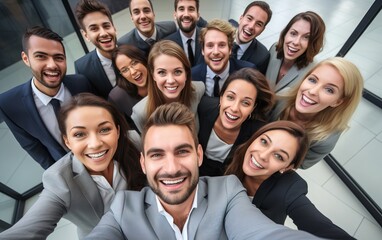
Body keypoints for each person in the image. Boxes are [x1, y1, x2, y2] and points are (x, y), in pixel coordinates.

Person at [83, 102, 319, 239]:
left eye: (182, 151)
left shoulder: (228, 191)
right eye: (157, 155)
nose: (172, 168)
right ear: (143, 164)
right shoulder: (123, 207)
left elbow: (264, 234)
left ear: (199, 155)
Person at [0, 93, 146, 239]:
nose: (95, 144)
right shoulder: (59, 179)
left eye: (104, 129)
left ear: (118, 131)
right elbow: (27, 230)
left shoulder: (133, 142)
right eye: (80, 134)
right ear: (67, 141)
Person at [225, 120, 355, 239]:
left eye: (278, 156)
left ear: (287, 167)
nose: (263, 155)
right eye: (264, 142)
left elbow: (320, 226)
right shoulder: (236, 151)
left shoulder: (290, 188)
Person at [0, 26, 94, 169]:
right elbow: (32, 146)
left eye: (58, 57)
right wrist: (61, 174)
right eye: (41, 56)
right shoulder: (8, 104)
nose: (52, 65)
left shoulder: (81, 83)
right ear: (26, 59)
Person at [270, 57, 363, 169]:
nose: (312, 91)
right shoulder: (282, 97)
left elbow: (301, 164)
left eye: (329, 90)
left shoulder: (326, 139)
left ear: (338, 102)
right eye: (313, 80)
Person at [198, 67, 274, 176]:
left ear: (253, 108)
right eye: (230, 97)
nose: (234, 108)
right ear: (221, 97)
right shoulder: (202, 108)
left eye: (246, 103)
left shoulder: (258, 133)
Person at [131, 40, 205, 133]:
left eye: (177, 72)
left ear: (186, 73)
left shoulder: (199, 90)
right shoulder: (141, 113)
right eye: (162, 72)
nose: (170, 81)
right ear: (153, 75)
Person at [192, 19, 255, 97]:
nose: (215, 52)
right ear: (202, 50)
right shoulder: (192, 77)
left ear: (230, 49)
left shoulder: (248, 73)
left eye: (221, 45)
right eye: (210, 45)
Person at [265, 11, 325, 93]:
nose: (296, 42)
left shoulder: (313, 71)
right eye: (293, 33)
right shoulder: (274, 49)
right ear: (285, 33)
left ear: (313, 43)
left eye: (306, 37)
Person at [74, 0, 117, 99]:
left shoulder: (133, 49)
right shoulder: (82, 68)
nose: (103, 33)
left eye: (106, 26)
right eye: (94, 29)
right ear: (86, 35)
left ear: (114, 28)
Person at [108, 44, 148, 131]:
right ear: (121, 75)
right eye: (125, 70)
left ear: (143, 60)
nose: (133, 72)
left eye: (134, 63)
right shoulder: (117, 97)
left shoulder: (161, 78)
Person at [230, 1, 272, 74]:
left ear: (262, 30)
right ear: (241, 18)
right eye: (249, 18)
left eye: (258, 24)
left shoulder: (262, 57)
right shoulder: (222, 33)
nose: (251, 26)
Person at [165, 0, 204, 66]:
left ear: (198, 15)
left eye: (191, 9)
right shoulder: (167, 44)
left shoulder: (207, 37)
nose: (186, 14)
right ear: (175, 15)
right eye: (181, 9)